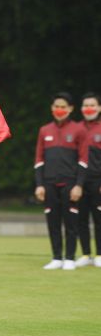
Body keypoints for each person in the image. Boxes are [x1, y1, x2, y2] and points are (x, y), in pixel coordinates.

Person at [35, 92, 87, 271]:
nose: (59, 110)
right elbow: (39, 160)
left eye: (63, 107)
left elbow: (83, 160)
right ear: (52, 108)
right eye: (56, 106)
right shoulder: (44, 130)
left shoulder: (79, 130)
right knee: (52, 221)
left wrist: (79, 185)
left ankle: (70, 258)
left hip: (70, 184)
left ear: (71, 109)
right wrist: (40, 184)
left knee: (71, 222)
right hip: (49, 183)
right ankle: (56, 257)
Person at [77, 92, 101, 267]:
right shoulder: (76, 128)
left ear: (99, 108)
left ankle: (100, 254)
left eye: (92, 105)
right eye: (86, 105)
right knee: (81, 219)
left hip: (97, 181)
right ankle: (86, 254)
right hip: (79, 182)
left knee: (99, 218)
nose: (89, 108)